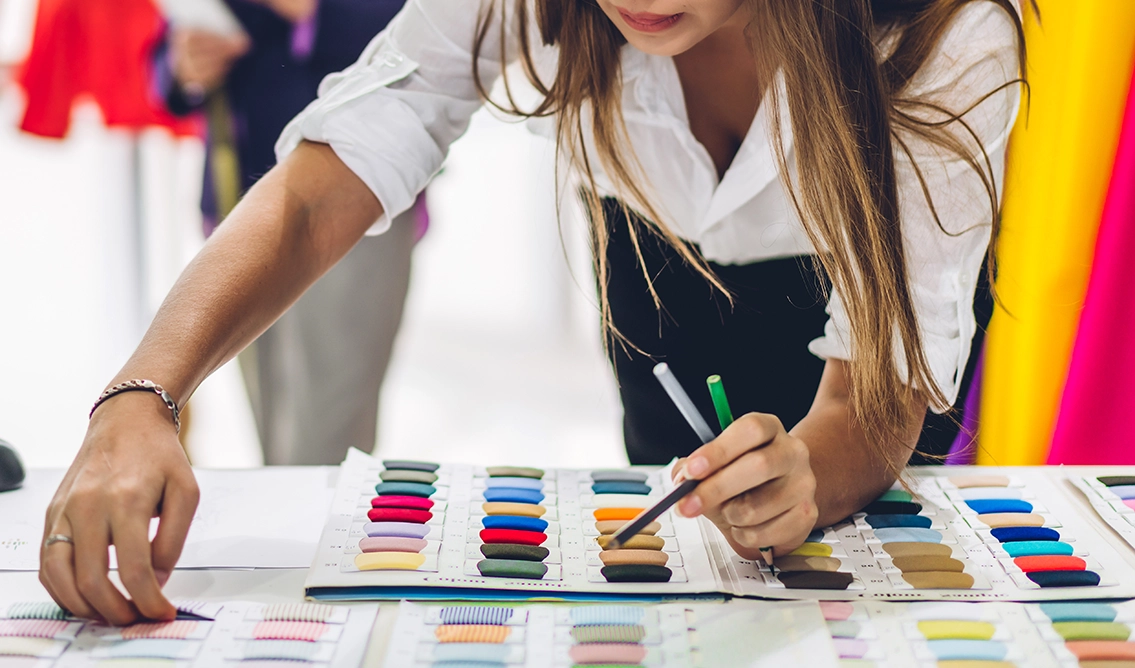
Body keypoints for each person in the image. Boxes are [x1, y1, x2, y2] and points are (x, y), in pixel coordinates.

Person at [40, 0, 1025, 623]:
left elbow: (882, 392)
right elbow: (314, 189)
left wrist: (812, 469)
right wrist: (140, 392)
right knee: (684, 589)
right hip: (661, 304)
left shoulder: (948, 31)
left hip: (866, 371)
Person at [152, 0, 419, 464]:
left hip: (352, 201)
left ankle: (323, 536)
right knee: (272, 434)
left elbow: (422, 44)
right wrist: (183, 64)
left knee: (325, 443)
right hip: (241, 195)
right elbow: (165, 51)